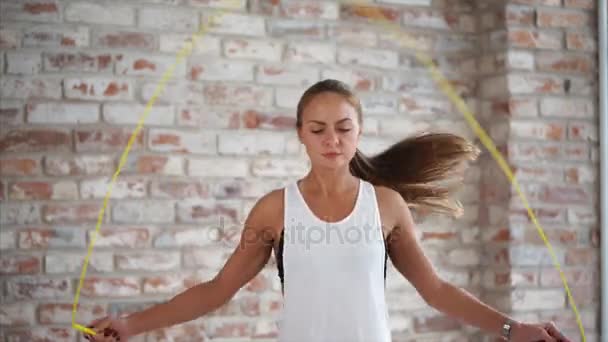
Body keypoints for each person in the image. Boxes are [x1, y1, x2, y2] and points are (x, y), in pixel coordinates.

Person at [85, 79, 570, 342]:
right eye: (317, 129)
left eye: (343, 127)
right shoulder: (275, 210)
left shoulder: (385, 205)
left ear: (359, 130)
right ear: (300, 133)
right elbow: (216, 291)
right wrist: (130, 325)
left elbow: (436, 290)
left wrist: (513, 330)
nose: (331, 140)